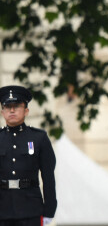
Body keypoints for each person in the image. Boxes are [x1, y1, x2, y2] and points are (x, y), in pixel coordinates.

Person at [0, 85, 57, 226]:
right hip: (2, 210)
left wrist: (49, 210)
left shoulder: (39, 138)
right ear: (2, 112)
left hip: (31, 210)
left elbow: (48, 177)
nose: (12, 110)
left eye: (17, 106)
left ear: (26, 111)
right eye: (7, 106)